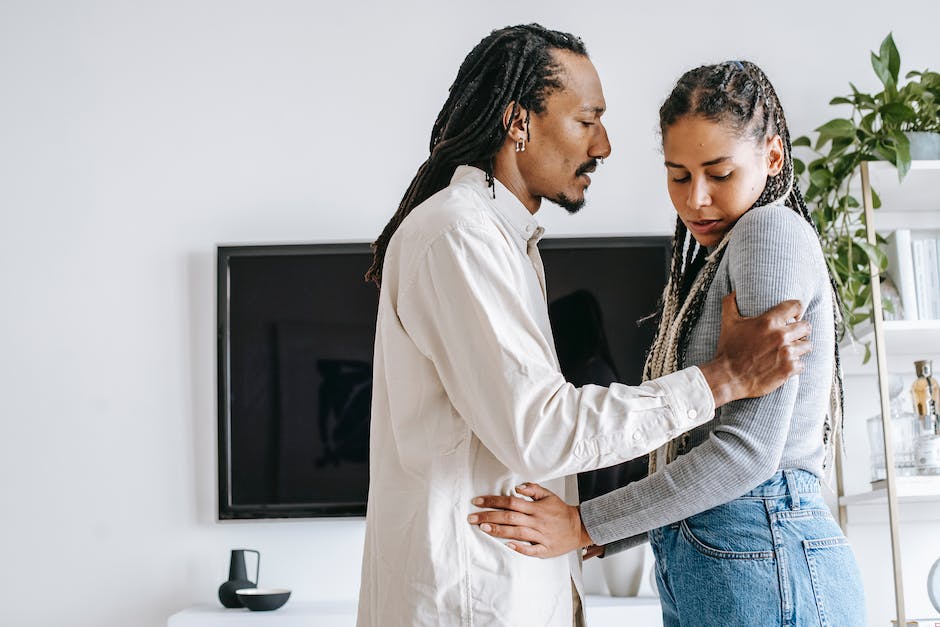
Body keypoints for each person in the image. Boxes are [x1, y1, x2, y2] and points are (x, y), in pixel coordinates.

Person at [358, 25, 813, 627]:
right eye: (587, 120)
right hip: (471, 602)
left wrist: (585, 530)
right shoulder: (458, 235)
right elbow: (541, 430)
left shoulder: (503, 241)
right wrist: (718, 379)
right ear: (519, 122)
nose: (604, 145)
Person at [469, 60, 866, 626]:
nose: (697, 199)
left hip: (763, 553)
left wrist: (586, 523)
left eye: (719, 173)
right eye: (678, 175)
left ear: (773, 157)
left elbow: (748, 452)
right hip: (734, 556)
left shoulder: (765, 233)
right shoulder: (720, 253)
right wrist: (609, 533)